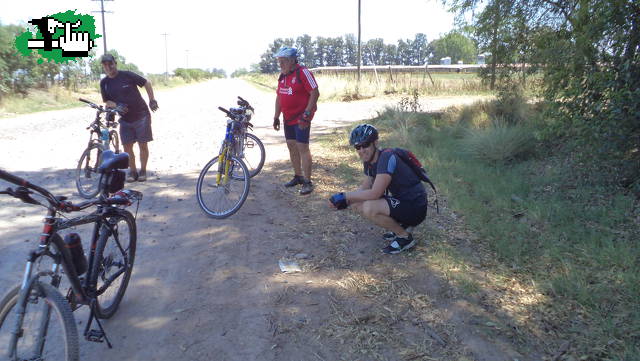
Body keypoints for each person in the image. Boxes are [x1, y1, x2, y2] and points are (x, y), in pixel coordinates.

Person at [329, 124, 428, 254]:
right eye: (357, 147)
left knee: (370, 207)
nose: (361, 150)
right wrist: (347, 201)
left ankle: (404, 237)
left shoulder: (386, 158)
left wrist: (345, 195)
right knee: (357, 204)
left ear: (375, 143)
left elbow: (375, 193)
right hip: (402, 201)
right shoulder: (369, 161)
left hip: (416, 207)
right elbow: (365, 188)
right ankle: (401, 226)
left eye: (365, 145)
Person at [100, 53, 158, 182]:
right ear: (103, 67)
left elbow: (146, 83)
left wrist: (152, 100)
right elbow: (107, 101)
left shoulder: (127, 75)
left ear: (115, 63)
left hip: (141, 115)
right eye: (105, 65)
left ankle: (143, 171)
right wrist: (116, 105)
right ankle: (132, 172)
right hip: (125, 119)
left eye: (111, 64)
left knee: (143, 145)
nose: (109, 67)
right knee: (127, 147)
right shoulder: (104, 83)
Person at [272, 46, 320, 195]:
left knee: (302, 147)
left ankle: (307, 182)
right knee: (291, 146)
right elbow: (279, 97)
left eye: (283, 61)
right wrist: (276, 116)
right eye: (279, 61)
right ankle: (298, 176)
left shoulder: (303, 73)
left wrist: (306, 113)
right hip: (288, 118)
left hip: (301, 118)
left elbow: (315, 93)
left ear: (292, 61)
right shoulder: (283, 76)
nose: (281, 64)